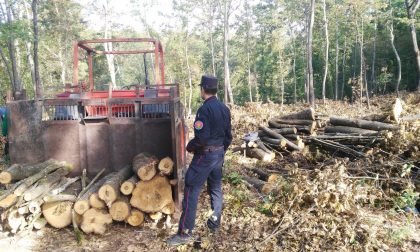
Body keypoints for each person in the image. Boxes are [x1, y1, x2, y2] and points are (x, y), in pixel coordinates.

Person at [166, 75, 232, 246]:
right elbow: (228, 137)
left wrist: (190, 146)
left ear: (203, 89)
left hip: (205, 156)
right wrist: (220, 151)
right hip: (218, 155)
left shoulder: (204, 110)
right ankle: (214, 223)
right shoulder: (225, 109)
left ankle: (184, 233)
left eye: (200, 88)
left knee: (191, 189)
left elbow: (201, 138)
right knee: (216, 189)